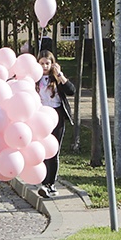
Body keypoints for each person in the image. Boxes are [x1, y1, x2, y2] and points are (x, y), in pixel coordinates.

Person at [36, 50, 75, 198]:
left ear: (53, 64)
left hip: (56, 115)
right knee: (42, 151)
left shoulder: (56, 78)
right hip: (39, 116)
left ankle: (49, 184)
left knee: (53, 150)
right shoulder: (35, 79)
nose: (45, 66)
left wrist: (60, 75)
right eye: (42, 63)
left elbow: (71, 90)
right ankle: (43, 181)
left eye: (48, 63)